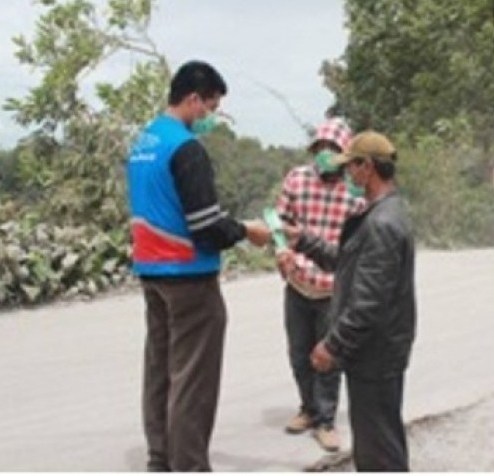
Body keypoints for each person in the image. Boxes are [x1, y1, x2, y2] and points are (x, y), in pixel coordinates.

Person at [126, 60, 271, 472]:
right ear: (193, 99)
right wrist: (247, 230)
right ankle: (189, 465)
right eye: (210, 107)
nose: (210, 117)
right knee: (193, 380)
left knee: (160, 369)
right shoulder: (186, 148)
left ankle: (160, 458)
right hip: (188, 277)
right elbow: (207, 228)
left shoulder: (144, 141)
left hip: (152, 272)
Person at [279, 131, 416, 471]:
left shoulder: (382, 223)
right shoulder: (379, 214)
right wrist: (305, 241)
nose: (347, 176)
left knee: (378, 444)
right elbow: (347, 264)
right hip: (376, 351)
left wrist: (332, 345)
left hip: (377, 352)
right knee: (377, 437)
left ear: (367, 167)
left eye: (351, 167)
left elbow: (368, 302)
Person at [275, 118, 364, 452]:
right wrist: (281, 250)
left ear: (345, 155)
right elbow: (277, 220)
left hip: (332, 288)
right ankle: (308, 409)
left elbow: (359, 242)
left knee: (328, 355)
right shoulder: (297, 180)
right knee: (299, 353)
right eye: (320, 148)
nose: (325, 155)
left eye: (333, 149)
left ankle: (326, 420)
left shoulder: (354, 193)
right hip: (298, 283)